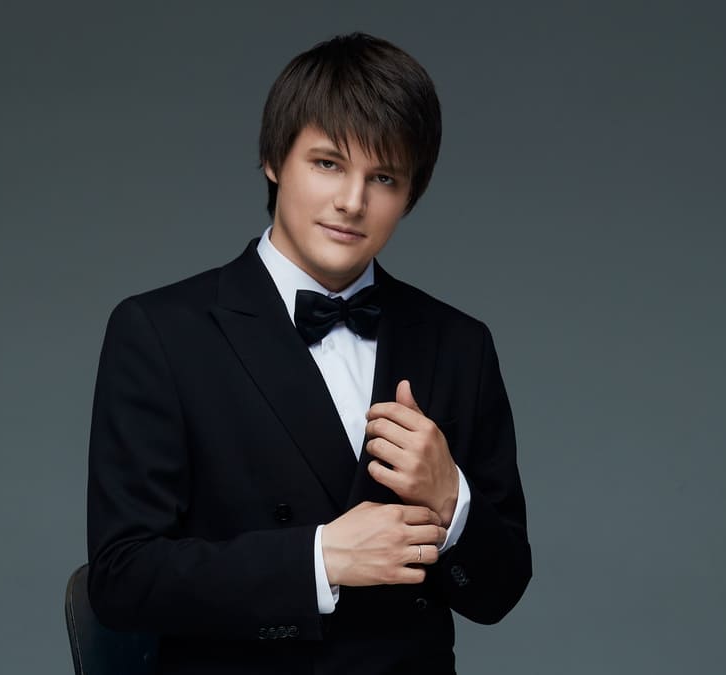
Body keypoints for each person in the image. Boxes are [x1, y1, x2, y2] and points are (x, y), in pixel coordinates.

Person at [86, 32, 531, 674]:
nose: (352, 202)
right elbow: (122, 579)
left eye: (383, 178)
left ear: (411, 194)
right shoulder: (160, 331)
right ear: (274, 159)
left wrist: (451, 498)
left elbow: (500, 593)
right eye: (327, 164)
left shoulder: (458, 342)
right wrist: (319, 560)